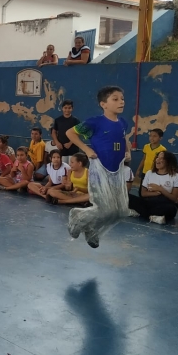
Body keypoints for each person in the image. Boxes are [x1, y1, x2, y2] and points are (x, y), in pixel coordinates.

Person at [65, 86, 132, 247]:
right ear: (104, 104)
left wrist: (128, 151)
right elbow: (70, 133)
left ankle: (93, 230)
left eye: (122, 98)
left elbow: (123, 138)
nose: (121, 102)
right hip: (100, 168)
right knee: (105, 209)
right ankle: (77, 216)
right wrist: (87, 150)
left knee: (122, 210)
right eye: (115, 99)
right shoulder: (94, 122)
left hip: (116, 170)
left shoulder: (123, 122)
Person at [130, 151, 178, 224]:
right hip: (148, 202)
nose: (158, 160)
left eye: (162, 158)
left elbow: (174, 198)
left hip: (163, 203)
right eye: (157, 157)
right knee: (128, 197)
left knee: (171, 209)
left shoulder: (176, 176)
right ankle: (153, 216)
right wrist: (156, 193)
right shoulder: (149, 173)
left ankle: (142, 213)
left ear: (168, 161)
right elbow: (143, 193)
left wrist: (160, 189)